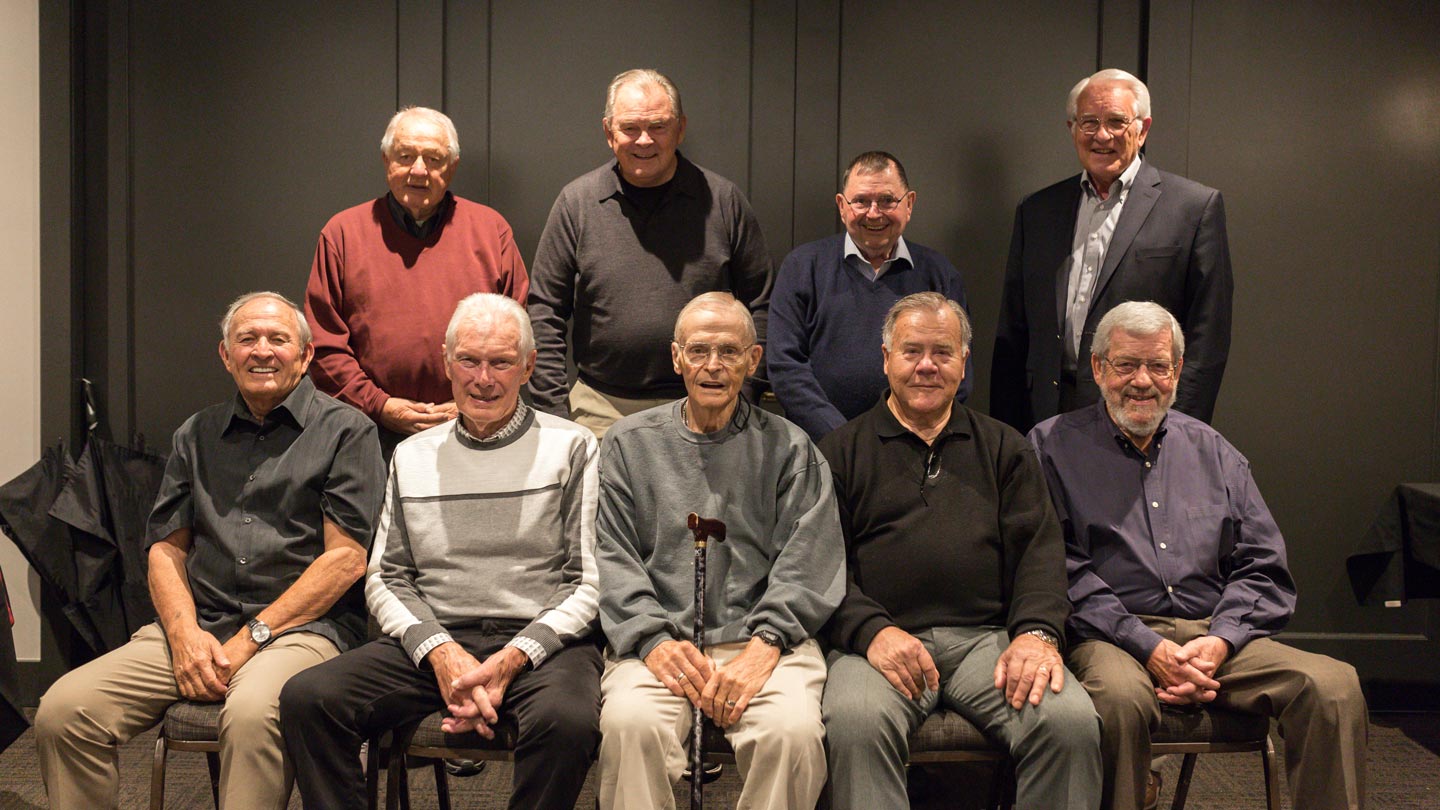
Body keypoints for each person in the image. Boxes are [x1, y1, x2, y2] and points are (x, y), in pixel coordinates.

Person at [34, 292, 384, 809]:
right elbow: (164, 551)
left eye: (278, 339)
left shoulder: (348, 431)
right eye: (247, 339)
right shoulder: (195, 433)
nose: (262, 351)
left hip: (303, 631)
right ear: (226, 355)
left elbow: (346, 560)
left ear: (306, 355)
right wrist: (183, 635)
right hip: (200, 625)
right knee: (64, 711)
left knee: (249, 716)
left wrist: (250, 638)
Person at [1029, 301, 1367, 810]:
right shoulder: (1050, 447)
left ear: (1177, 371)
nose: (1142, 381)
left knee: (1334, 686)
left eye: (1158, 366)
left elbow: (1263, 565)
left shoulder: (1214, 450)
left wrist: (1221, 642)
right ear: (1098, 369)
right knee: (1118, 700)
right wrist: (1146, 645)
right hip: (1110, 637)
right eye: (1126, 365)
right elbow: (1059, 568)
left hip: (1215, 634)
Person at [280, 293, 602, 810]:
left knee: (568, 723)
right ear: (447, 362)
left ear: (528, 367)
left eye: (500, 363)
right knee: (308, 699)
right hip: (435, 637)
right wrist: (440, 652)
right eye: (469, 361)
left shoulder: (574, 445)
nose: (483, 378)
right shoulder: (411, 455)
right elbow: (386, 576)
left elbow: (586, 582)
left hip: (540, 645)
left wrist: (512, 659)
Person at [820, 292, 1101, 809]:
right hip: (879, 644)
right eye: (912, 352)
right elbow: (819, 566)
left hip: (987, 644)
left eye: (943, 352)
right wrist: (871, 631)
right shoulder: (839, 452)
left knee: (1068, 722)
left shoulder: (1005, 447)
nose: (927, 365)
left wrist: (1037, 634)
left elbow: (1039, 551)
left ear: (963, 362)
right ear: (886, 359)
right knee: (856, 723)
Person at [594, 292, 844, 809]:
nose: (713, 366)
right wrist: (651, 639)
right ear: (676, 357)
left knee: (791, 734)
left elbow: (810, 561)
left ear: (753, 362)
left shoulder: (792, 448)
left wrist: (766, 643)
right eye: (699, 350)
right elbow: (611, 556)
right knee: (630, 725)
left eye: (729, 352)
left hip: (765, 642)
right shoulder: (626, 445)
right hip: (657, 641)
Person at [528, 68, 774, 439]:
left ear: (680, 129)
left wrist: (746, 393)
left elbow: (763, 303)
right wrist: (553, 411)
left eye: (658, 126)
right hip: (599, 408)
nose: (644, 140)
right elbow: (544, 310)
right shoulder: (576, 203)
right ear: (609, 132)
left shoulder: (723, 202)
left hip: (705, 403)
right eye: (630, 128)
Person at [993, 68, 1232, 434]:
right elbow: (1014, 329)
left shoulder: (1193, 208)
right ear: (1072, 129)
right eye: (1089, 122)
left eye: (1117, 121)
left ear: (1143, 128)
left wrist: (1179, 428)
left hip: (1141, 415)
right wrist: (1005, 434)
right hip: (1046, 415)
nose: (1102, 135)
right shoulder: (1037, 210)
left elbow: (1208, 336)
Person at [306, 106, 529, 455]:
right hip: (368, 433)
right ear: (386, 161)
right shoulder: (342, 234)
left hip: (477, 431)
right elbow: (323, 345)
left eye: (434, 159)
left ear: (452, 167)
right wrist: (378, 405)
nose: (419, 170)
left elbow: (518, 336)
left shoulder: (491, 230)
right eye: (405, 156)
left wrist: (471, 401)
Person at [768, 151, 972, 441]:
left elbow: (956, 369)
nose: (874, 213)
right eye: (861, 201)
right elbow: (785, 367)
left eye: (887, 200)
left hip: (915, 448)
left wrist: (901, 437)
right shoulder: (802, 267)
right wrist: (847, 441)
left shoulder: (939, 274)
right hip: (822, 448)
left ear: (909, 204)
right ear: (842, 206)